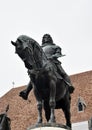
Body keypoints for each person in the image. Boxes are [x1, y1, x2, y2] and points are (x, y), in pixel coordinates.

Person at [19, 34, 74, 100]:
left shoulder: (55, 47)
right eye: (44, 37)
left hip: (53, 62)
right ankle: (26, 92)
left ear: (50, 38)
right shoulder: (40, 48)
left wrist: (53, 56)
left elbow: (58, 53)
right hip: (42, 64)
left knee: (62, 72)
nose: (46, 38)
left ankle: (69, 85)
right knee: (34, 75)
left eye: (48, 37)